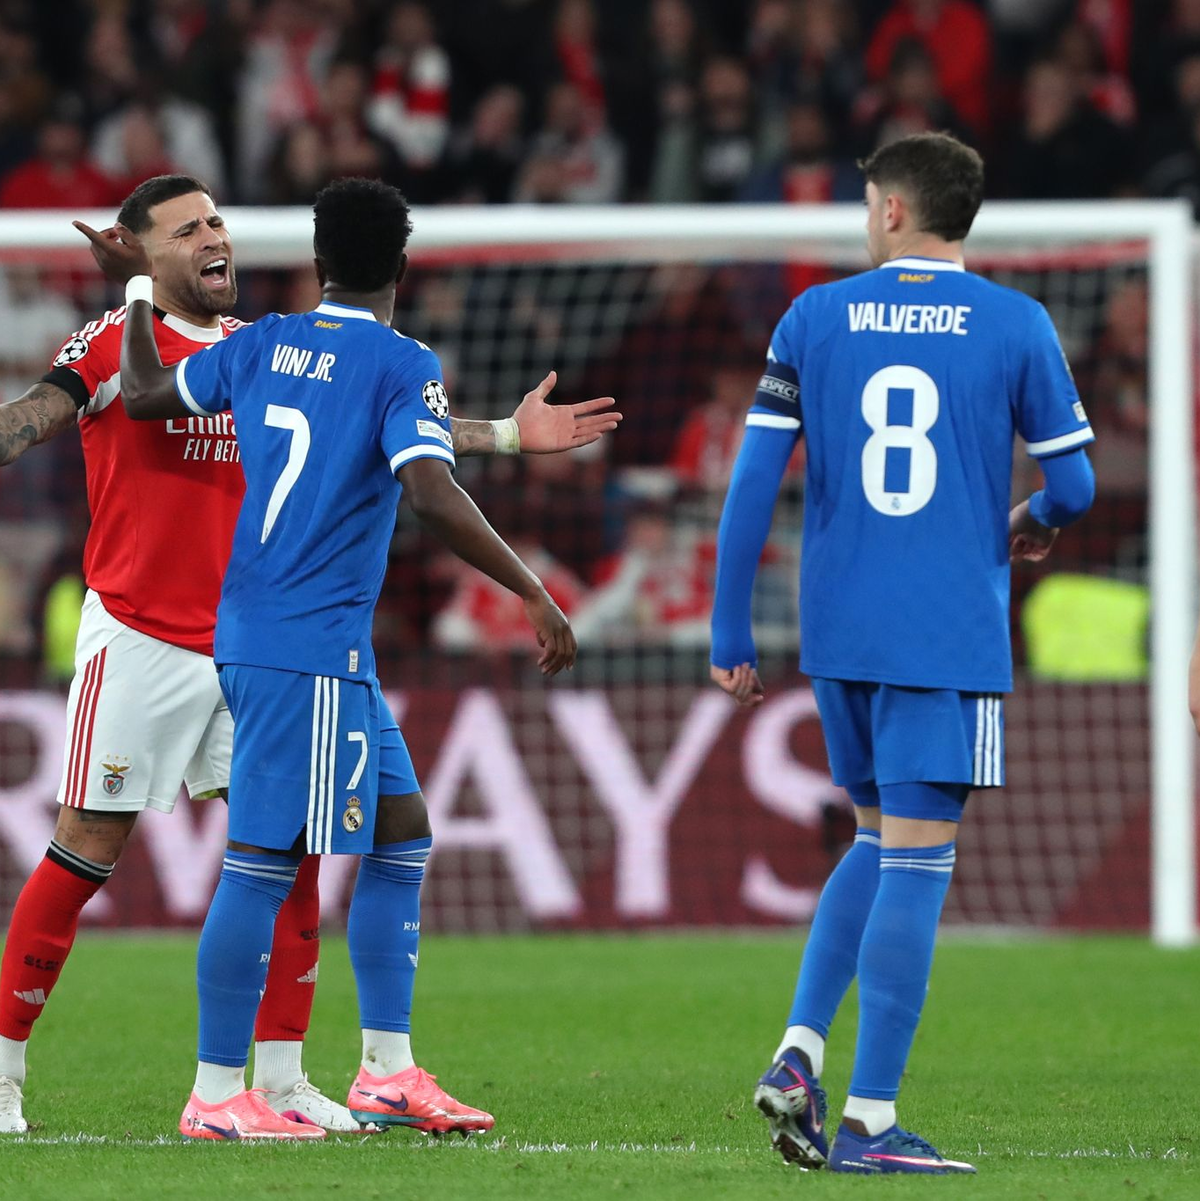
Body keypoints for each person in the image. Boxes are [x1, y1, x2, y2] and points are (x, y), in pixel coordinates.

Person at [0, 174, 619, 1136]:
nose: (213, 238)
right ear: (140, 252)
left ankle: (283, 1079)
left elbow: (380, 427)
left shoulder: (261, 342)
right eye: (186, 229)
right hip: (149, 634)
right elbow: (36, 415)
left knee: (298, 853)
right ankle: (14, 1070)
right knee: (91, 849)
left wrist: (501, 432)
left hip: (242, 638)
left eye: (217, 221)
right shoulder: (118, 339)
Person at [708, 132, 1095, 1174]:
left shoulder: (813, 316)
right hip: (944, 631)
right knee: (920, 859)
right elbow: (1076, 485)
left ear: (891, 209)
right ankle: (870, 1122)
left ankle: (799, 1052)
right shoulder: (1015, 322)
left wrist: (731, 629)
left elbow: (752, 484)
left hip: (839, 631)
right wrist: (1032, 519)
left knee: (876, 839)